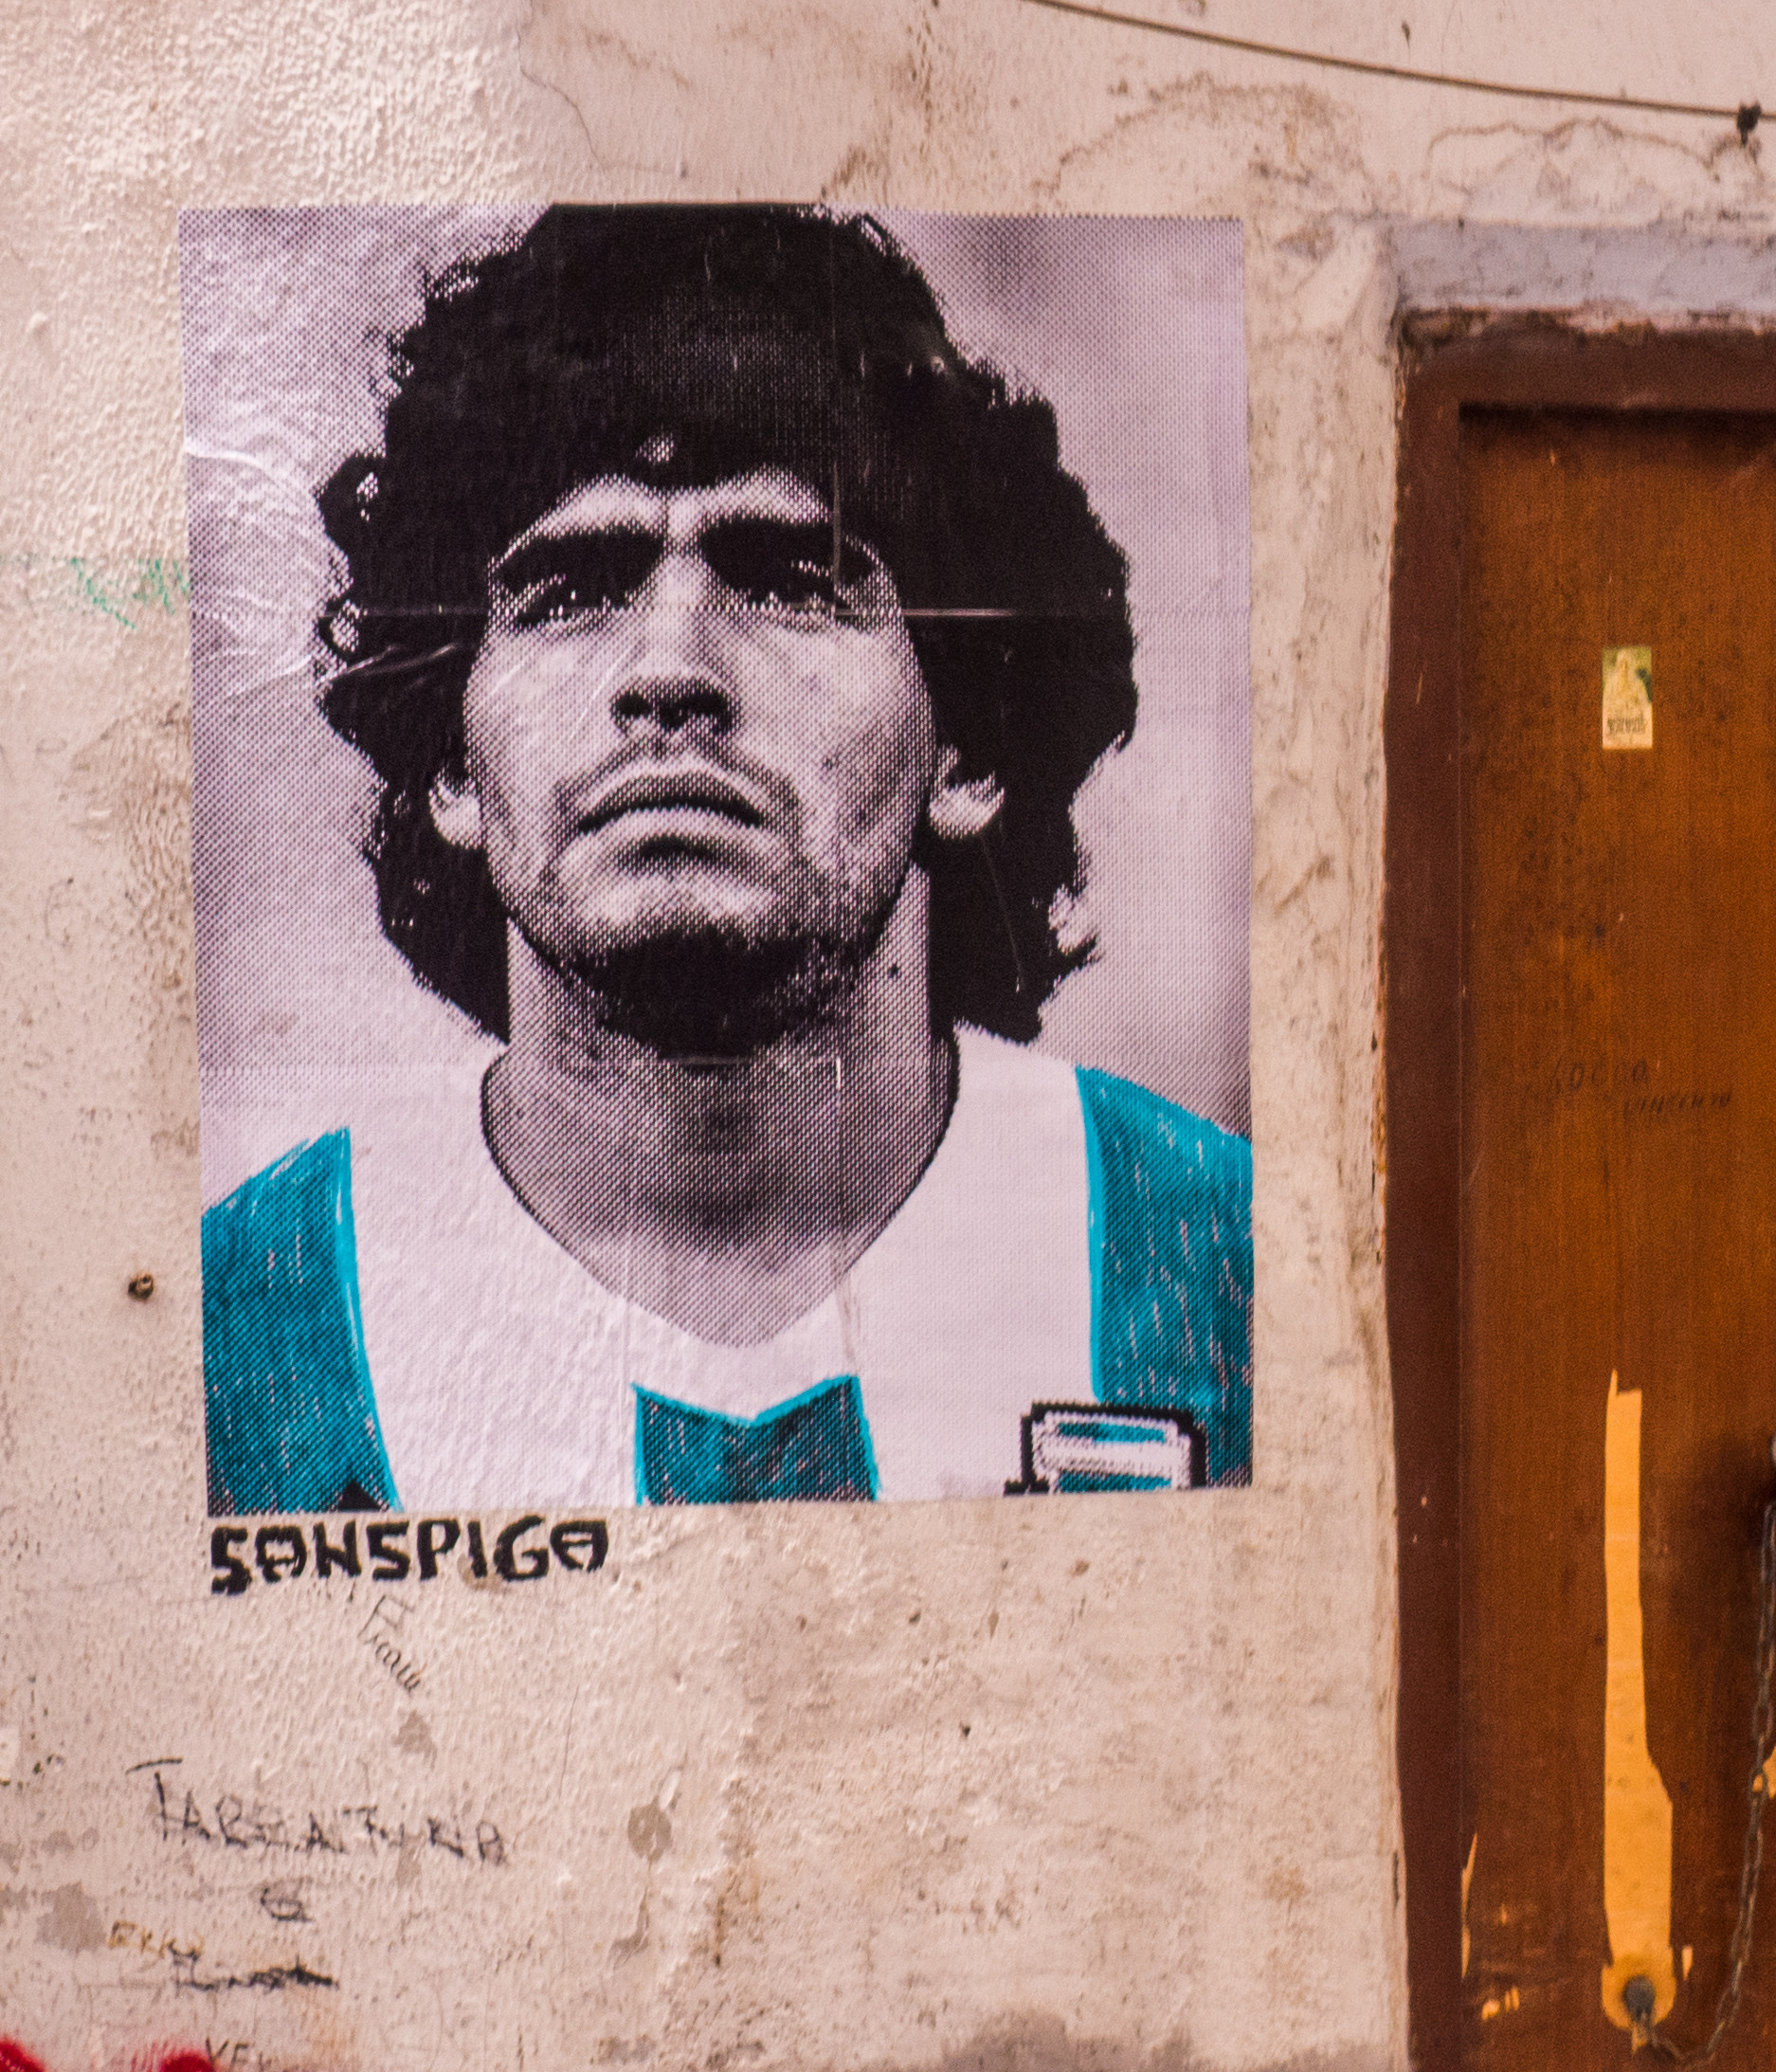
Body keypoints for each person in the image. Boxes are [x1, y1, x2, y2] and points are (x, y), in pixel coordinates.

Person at [201, 209, 1252, 1514]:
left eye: (790, 582)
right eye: (570, 592)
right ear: (452, 769)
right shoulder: (249, 1329)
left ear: (970, 746)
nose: (671, 671)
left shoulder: (1220, 1266)